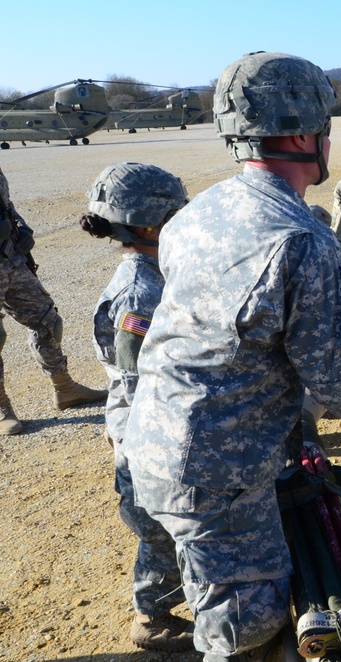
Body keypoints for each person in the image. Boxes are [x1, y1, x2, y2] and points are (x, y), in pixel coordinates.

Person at [122, 52, 341, 662]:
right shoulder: (303, 240)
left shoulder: (194, 215)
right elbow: (337, 378)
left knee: (218, 586)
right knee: (246, 631)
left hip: (150, 441)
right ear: (306, 134)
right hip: (215, 473)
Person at [82, 162, 193, 652]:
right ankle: (151, 618)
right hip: (148, 435)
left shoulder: (156, 270)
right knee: (162, 534)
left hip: (152, 424)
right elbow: (142, 380)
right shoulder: (139, 292)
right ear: (150, 226)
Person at [0, 166, 106, 435]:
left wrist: (21, 227)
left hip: (10, 257)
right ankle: (2, 408)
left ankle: (64, 388)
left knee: (47, 320)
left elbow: (6, 204)